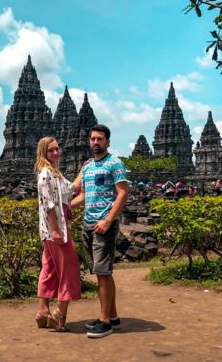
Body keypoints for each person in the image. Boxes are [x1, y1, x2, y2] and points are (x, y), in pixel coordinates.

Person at [72, 124, 129, 338]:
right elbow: (82, 195)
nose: (95, 142)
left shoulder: (115, 164)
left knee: (103, 273)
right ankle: (112, 315)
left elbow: (123, 194)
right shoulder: (86, 166)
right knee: (100, 272)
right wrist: (66, 205)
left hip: (103, 224)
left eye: (100, 139)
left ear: (107, 142)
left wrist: (108, 220)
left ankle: (105, 322)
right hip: (88, 223)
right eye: (93, 139)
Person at [35, 136, 82, 332]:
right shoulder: (46, 174)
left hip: (52, 231)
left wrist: (84, 169)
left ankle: (42, 312)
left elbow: (72, 189)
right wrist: (55, 230)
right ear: (43, 153)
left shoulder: (56, 174)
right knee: (69, 270)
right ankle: (59, 314)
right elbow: (49, 205)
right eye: (51, 151)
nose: (55, 153)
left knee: (49, 268)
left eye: (57, 149)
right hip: (56, 231)